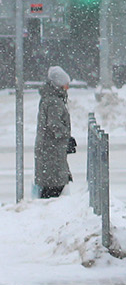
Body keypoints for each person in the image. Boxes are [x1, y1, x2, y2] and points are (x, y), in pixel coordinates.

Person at [34, 66, 75, 199]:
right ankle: (46, 214)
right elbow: (54, 124)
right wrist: (66, 137)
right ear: (59, 85)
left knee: (51, 186)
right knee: (53, 187)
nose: (67, 88)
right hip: (51, 151)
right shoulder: (54, 102)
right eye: (66, 85)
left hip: (50, 150)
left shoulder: (50, 98)